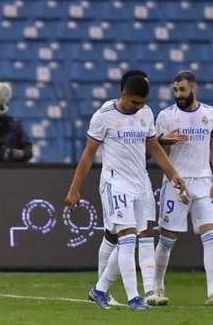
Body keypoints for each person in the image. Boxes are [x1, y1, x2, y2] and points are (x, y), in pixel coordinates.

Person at [65, 74, 187, 311]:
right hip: (115, 183)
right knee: (128, 238)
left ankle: (99, 290)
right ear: (123, 94)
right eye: (134, 102)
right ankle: (134, 299)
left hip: (140, 182)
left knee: (137, 237)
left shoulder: (146, 113)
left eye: (142, 103)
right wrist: (74, 189)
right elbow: (88, 154)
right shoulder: (104, 117)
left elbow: (153, 146)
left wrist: (173, 174)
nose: (138, 107)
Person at [152, 72, 213, 306]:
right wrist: (166, 141)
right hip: (176, 183)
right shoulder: (166, 116)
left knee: (211, 237)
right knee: (167, 239)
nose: (178, 95)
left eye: (182, 90)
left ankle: (212, 294)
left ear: (194, 88)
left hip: (204, 182)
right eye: (175, 90)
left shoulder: (212, 114)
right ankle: (157, 288)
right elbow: (155, 150)